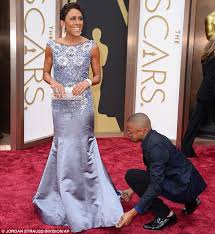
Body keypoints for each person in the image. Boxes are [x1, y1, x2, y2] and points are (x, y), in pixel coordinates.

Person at [32, 3, 123, 233]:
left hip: (83, 106)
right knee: (63, 146)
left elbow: (98, 75)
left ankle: (89, 195)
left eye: (80, 19)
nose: (77, 23)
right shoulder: (52, 46)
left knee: (83, 146)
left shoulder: (91, 46)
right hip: (61, 105)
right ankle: (60, 195)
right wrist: (54, 83)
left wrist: (88, 82)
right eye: (72, 19)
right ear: (63, 22)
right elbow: (45, 73)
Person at [116, 113, 207, 230]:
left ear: (141, 131)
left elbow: (155, 185)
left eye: (130, 131)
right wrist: (131, 190)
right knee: (141, 177)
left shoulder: (155, 147)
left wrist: (133, 212)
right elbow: (154, 171)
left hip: (184, 186)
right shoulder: (152, 138)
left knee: (132, 176)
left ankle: (166, 215)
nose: (128, 134)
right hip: (188, 181)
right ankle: (191, 200)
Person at [181, 36, 215, 157]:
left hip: (204, 95)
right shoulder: (213, 60)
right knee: (194, 124)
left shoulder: (206, 58)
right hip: (210, 97)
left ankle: (186, 149)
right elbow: (210, 80)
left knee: (194, 124)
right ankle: (186, 149)